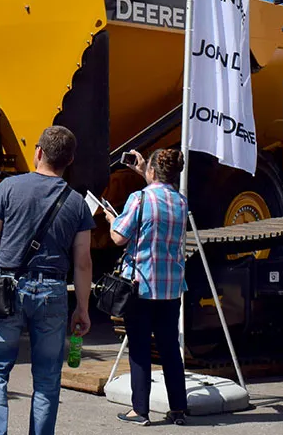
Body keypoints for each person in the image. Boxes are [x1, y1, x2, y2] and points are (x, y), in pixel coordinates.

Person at [0, 125, 94, 435]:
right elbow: (83, 262)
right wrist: (82, 308)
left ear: (38, 152)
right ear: (70, 160)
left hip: (8, 289)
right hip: (53, 291)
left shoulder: (8, 188)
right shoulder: (76, 202)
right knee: (48, 379)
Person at [107, 148, 190, 426]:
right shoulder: (181, 202)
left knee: (140, 348)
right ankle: (178, 408)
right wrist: (145, 171)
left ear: (152, 170)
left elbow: (119, 237)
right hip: (171, 287)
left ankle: (140, 410)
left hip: (141, 285)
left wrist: (112, 220)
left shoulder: (139, 198)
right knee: (170, 348)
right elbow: (159, 194)